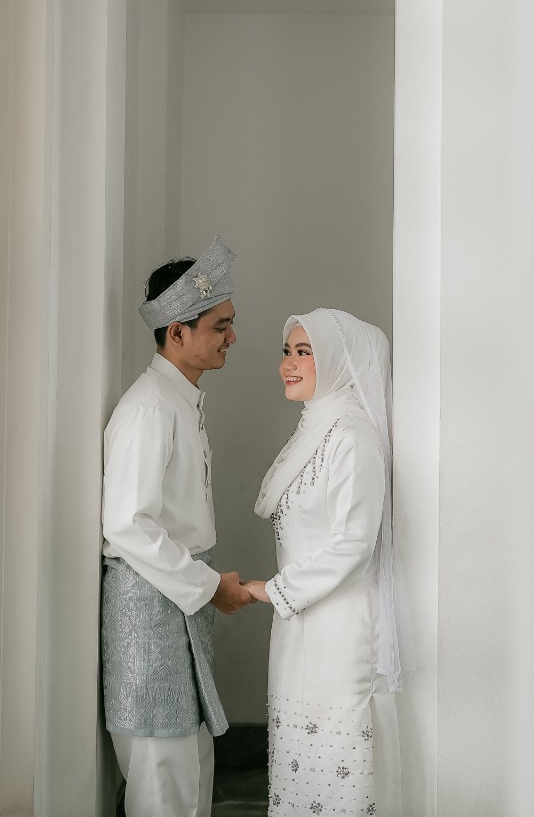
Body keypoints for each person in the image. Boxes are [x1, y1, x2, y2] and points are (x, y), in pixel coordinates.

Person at [101, 237, 255, 817]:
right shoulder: (149, 409)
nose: (232, 337)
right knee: (162, 771)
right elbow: (126, 524)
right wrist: (210, 586)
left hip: (177, 597)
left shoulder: (177, 399)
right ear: (177, 333)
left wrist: (205, 586)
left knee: (189, 761)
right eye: (221, 326)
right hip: (151, 605)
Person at [244, 308, 406, 816]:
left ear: (339, 360)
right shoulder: (317, 428)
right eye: (287, 351)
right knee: (302, 766)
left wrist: (274, 589)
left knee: (338, 765)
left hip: (340, 632)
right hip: (301, 625)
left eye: (304, 352)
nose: (288, 364)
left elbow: (354, 543)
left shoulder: (352, 436)